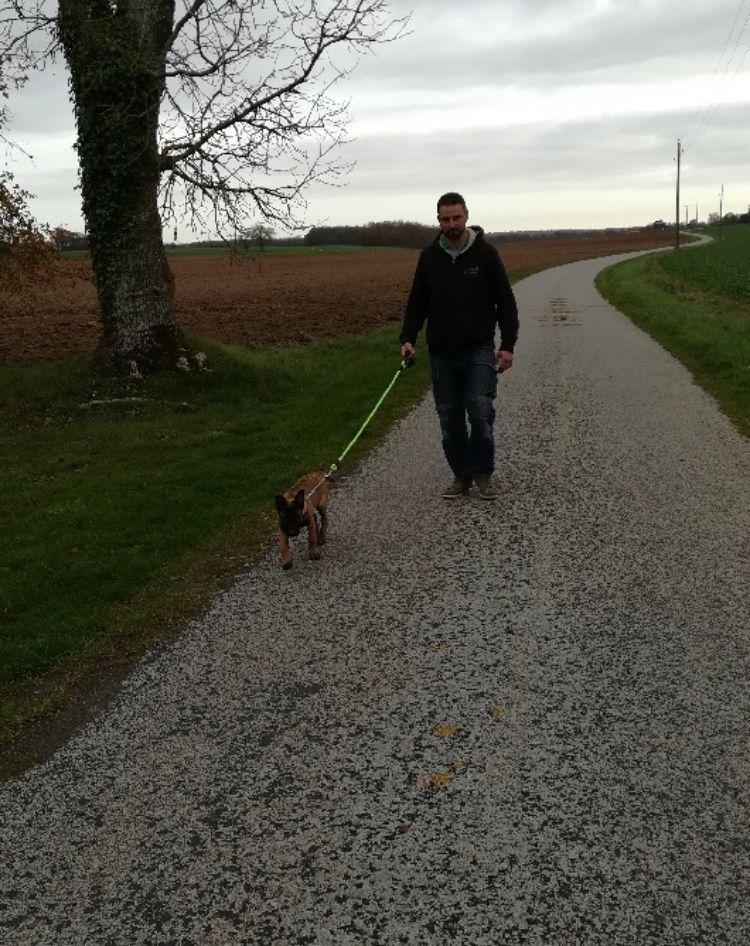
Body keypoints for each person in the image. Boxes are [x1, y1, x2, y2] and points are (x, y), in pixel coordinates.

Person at [399, 191, 519, 500]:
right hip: (442, 353)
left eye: (456, 218)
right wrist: (408, 338)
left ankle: (483, 474)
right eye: (445, 219)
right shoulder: (428, 258)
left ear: (466, 216)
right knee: (449, 418)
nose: (451, 224)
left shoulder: (486, 255)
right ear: (438, 221)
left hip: (478, 348)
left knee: (479, 411)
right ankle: (461, 476)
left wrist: (507, 345)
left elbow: (505, 301)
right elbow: (417, 303)